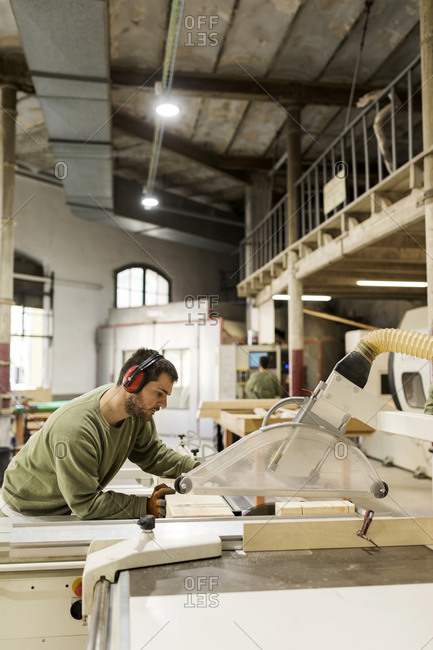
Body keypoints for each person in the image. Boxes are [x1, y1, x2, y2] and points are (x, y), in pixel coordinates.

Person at [1, 349, 199, 520]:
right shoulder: (77, 430)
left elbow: (151, 453)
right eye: (159, 393)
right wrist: (145, 506)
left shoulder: (135, 413)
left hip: (61, 507)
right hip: (23, 511)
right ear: (132, 382)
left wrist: (196, 468)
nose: (163, 403)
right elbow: (86, 504)